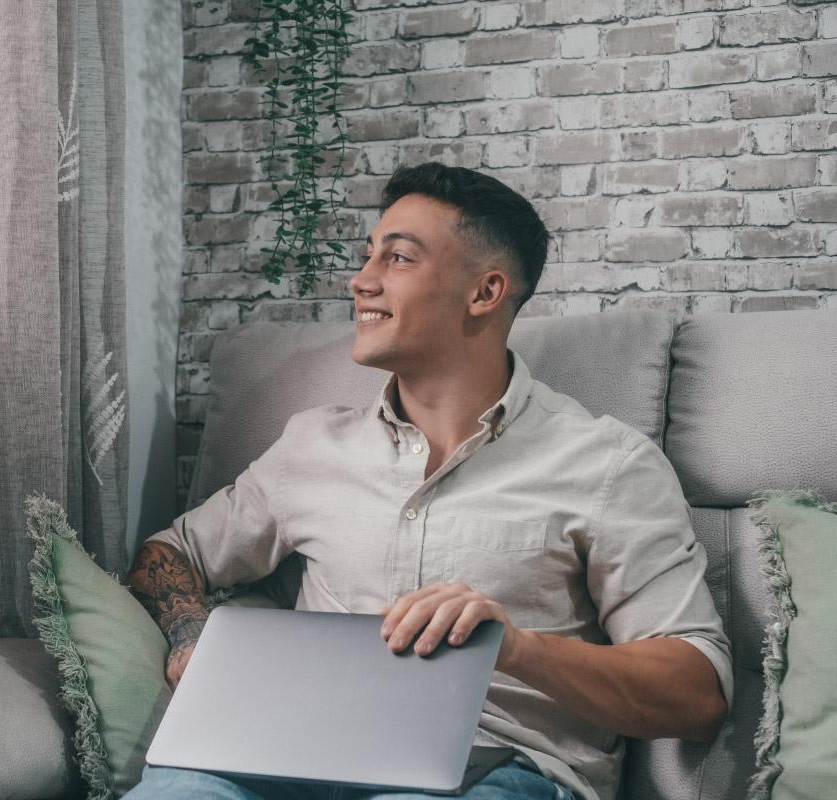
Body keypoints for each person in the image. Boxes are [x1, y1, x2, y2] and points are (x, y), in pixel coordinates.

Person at [123, 162, 732, 800]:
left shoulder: (606, 463)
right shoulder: (312, 444)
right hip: (279, 755)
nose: (361, 281)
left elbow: (697, 694)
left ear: (484, 292)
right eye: (367, 257)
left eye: (399, 259)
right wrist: (191, 640)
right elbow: (172, 552)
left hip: (494, 769)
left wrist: (514, 647)